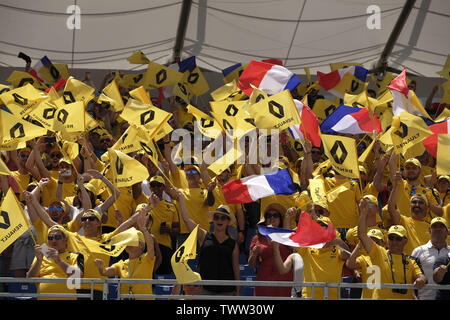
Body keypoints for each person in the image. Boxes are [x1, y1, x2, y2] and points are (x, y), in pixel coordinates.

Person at [174, 187, 240, 296]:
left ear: (228, 222)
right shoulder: (203, 236)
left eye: (223, 218)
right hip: (205, 289)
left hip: (227, 291)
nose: (219, 220)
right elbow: (186, 220)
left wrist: (238, 290)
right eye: (217, 217)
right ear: (213, 220)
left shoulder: (233, 243)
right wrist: (181, 198)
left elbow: (236, 268)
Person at [358, 198, 427, 299]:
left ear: (405, 241)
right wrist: (363, 214)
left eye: (398, 238)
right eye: (391, 238)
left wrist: (421, 280)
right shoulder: (378, 252)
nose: (394, 242)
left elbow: (421, 276)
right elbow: (362, 235)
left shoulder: (411, 261)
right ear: (387, 240)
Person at [94, 208, 156, 300]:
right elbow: (105, 272)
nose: (128, 243)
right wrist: (101, 267)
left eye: (132, 241)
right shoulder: (122, 264)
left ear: (141, 245)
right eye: (127, 241)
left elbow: (151, 245)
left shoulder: (147, 259)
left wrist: (143, 228)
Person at [248, 203, 294, 297]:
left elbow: (294, 248)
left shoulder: (286, 235)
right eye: (268, 216)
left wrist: (288, 218)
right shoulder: (257, 238)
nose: (272, 218)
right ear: (265, 220)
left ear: (280, 219)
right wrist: (254, 254)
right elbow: (251, 265)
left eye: (275, 215)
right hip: (264, 281)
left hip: (284, 281)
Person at [27, 225, 84, 300]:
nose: (53, 240)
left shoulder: (75, 256)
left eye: (57, 237)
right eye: (50, 238)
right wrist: (39, 261)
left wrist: (59, 261)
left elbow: (77, 276)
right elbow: (31, 279)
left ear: (66, 240)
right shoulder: (40, 257)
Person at [388, 170, 434, 255]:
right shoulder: (403, 221)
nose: (417, 204)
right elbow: (391, 208)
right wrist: (396, 186)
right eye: (414, 202)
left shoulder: (432, 228)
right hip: (408, 264)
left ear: (427, 208)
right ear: (410, 206)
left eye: (421, 203)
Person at [388, 155, 442, 221]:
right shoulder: (399, 183)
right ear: (404, 171)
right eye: (408, 168)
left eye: (414, 168)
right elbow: (392, 162)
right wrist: (397, 146)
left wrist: (428, 203)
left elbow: (439, 213)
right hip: (403, 225)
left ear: (420, 170)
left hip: (422, 228)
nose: (411, 170)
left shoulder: (429, 191)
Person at [146, 176, 179, 275]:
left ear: (164, 187)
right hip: (149, 245)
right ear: (150, 188)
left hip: (165, 246)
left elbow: (177, 229)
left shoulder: (172, 206)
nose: (156, 188)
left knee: (164, 278)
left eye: (159, 185)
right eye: (153, 185)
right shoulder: (145, 204)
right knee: (147, 276)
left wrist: (168, 230)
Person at [411, 217, 450, 300]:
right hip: (424, 298)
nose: (438, 229)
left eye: (441, 227)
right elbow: (410, 276)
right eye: (434, 227)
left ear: (447, 232)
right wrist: (413, 296)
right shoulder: (418, 251)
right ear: (429, 231)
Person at [346, 229, 386, 299]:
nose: (374, 245)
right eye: (371, 242)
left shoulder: (389, 257)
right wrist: (359, 244)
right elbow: (349, 264)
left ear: (383, 243)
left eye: (377, 242)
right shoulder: (364, 258)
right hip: (367, 297)